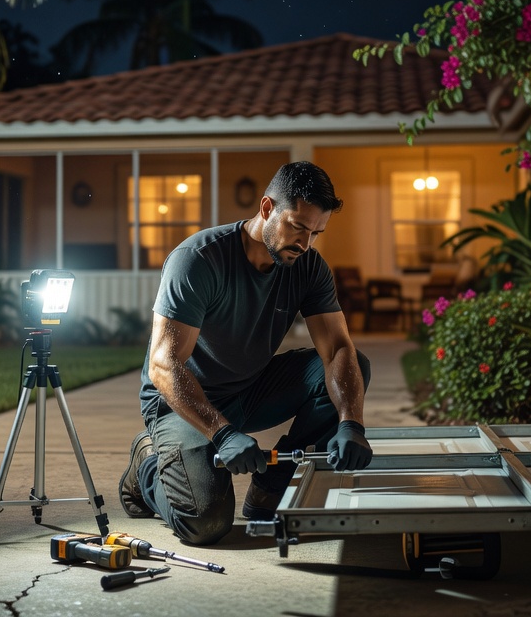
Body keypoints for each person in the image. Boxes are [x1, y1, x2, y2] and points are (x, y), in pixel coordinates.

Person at [118, 161, 372, 545]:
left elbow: (336, 347)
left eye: (316, 232)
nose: (305, 243)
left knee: (353, 365)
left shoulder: (307, 267)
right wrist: (222, 434)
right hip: (181, 401)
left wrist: (351, 423)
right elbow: (164, 365)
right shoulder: (199, 260)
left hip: (249, 389)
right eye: (298, 227)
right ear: (267, 208)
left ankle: (270, 488)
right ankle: (148, 467)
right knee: (205, 522)